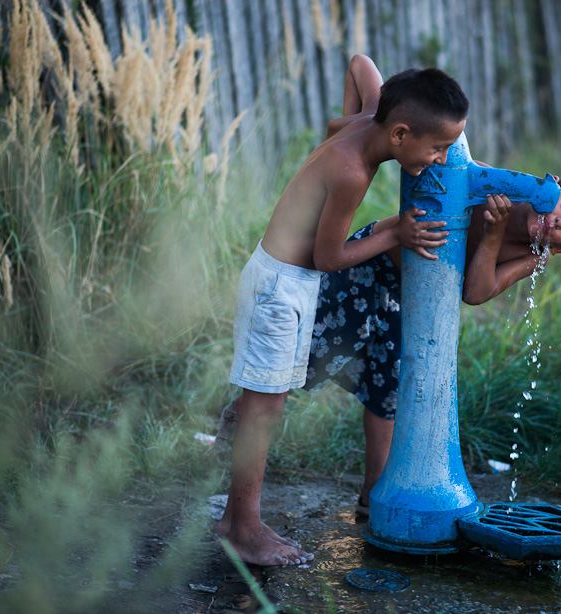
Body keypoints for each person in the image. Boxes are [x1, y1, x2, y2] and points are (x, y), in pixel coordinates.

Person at [217, 54, 469, 567]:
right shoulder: (353, 170)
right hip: (281, 289)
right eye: (439, 147)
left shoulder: (368, 124)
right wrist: (394, 232)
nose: (442, 159)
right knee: (263, 411)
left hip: (283, 282)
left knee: (263, 407)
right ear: (400, 134)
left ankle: (242, 510)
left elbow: (361, 63)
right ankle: (240, 527)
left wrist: (352, 113)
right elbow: (328, 258)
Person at [302, 174, 561, 514]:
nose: (560, 221)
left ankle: (372, 494)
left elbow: (477, 293)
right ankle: (251, 407)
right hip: (370, 263)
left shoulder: (535, 255)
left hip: (410, 301)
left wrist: (493, 237)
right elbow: (452, 163)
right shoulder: (497, 186)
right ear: (549, 186)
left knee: (390, 392)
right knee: (308, 353)